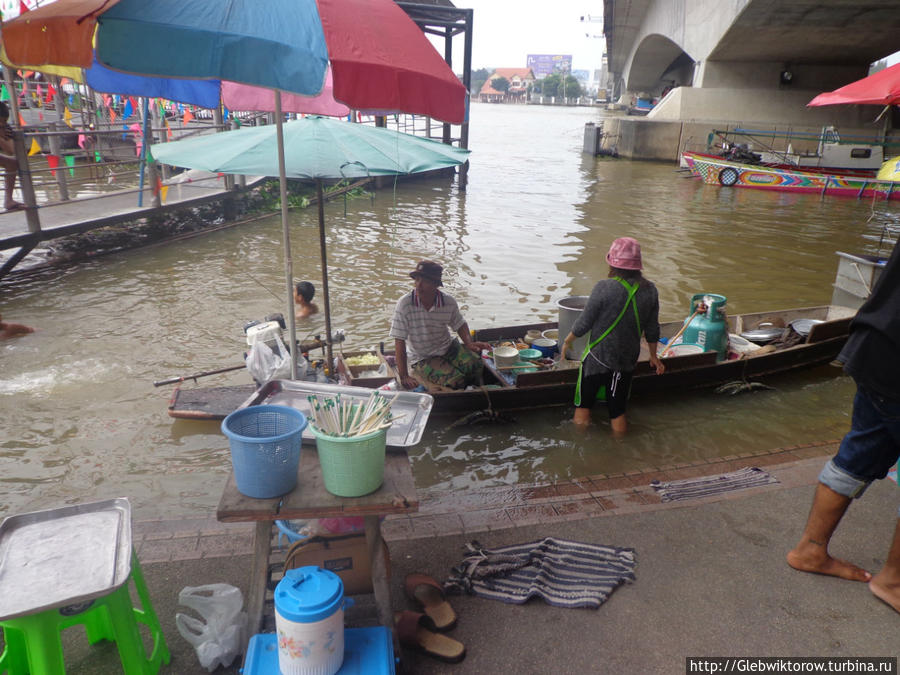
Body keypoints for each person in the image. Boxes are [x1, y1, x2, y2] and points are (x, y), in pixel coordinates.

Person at [787, 241, 900, 612]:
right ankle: (894, 581)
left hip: (874, 345)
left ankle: (810, 550)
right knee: (861, 449)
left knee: (859, 452)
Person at [560, 237, 665, 436]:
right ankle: (620, 450)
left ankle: (578, 447)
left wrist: (567, 341)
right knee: (617, 411)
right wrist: (654, 357)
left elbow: (584, 323)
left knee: (584, 406)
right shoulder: (650, 291)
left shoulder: (603, 287)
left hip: (596, 361)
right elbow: (652, 329)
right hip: (625, 362)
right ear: (638, 266)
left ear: (612, 263)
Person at [390, 260, 491, 391]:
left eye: (424, 281)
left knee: (475, 365)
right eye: (417, 280)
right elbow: (399, 340)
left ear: (435, 285)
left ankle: (475, 390)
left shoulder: (448, 302)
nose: (418, 286)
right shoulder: (405, 304)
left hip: (448, 348)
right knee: (456, 380)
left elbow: (460, 324)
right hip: (422, 357)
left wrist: (469, 343)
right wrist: (404, 376)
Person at [0, 102, 22, 211]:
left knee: (12, 163)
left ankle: (8, 200)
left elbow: (10, 150)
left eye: (3, 121)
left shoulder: (6, 127)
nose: (1, 124)